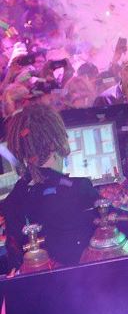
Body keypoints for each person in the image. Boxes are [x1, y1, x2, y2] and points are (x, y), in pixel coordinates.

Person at [0, 103, 98, 271]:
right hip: (78, 282)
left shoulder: (12, 200)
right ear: (54, 143)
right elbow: (125, 229)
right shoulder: (78, 189)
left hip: (35, 285)